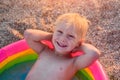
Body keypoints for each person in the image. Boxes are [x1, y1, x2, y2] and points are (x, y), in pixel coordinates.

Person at [24, 13, 101, 80]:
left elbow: (94, 54)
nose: (63, 39)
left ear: (78, 42)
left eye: (70, 36)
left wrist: (79, 45)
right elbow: (28, 34)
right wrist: (52, 37)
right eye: (60, 32)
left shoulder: (73, 63)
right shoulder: (44, 51)